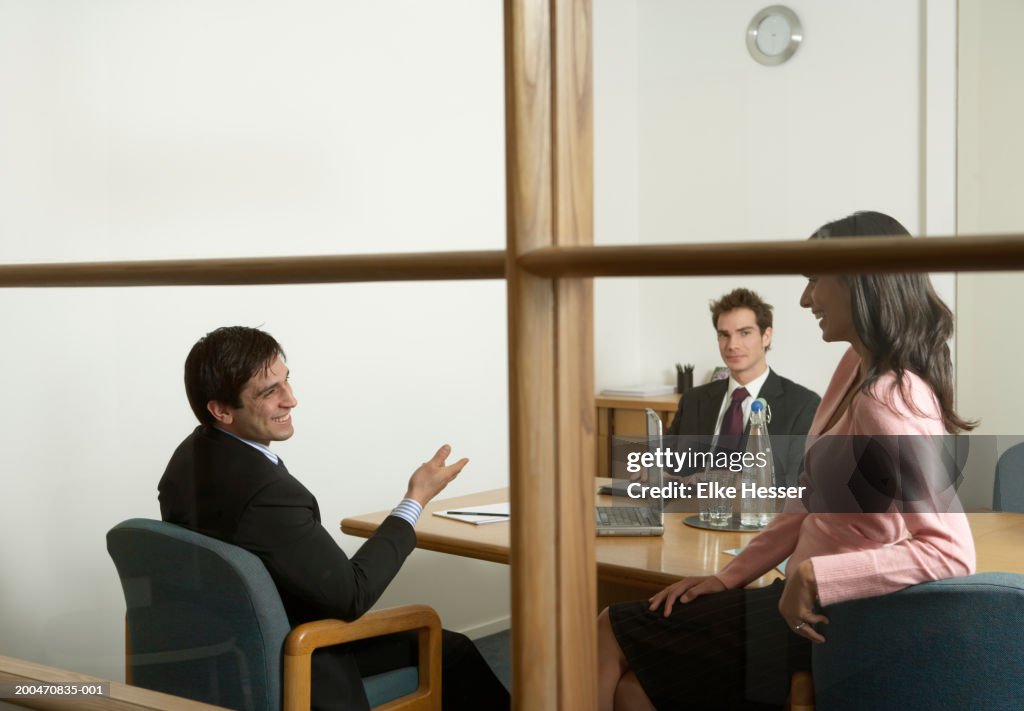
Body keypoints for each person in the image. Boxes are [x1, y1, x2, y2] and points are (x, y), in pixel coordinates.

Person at [597, 212, 977, 711]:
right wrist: (728, 576)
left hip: (832, 616)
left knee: (610, 629)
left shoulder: (890, 398)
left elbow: (951, 553)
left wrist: (815, 575)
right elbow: (808, 497)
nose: (805, 299)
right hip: (799, 595)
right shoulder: (854, 368)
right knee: (634, 688)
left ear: (859, 280)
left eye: (814, 280)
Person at [158, 326, 510, 711]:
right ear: (221, 410)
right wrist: (415, 500)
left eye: (286, 380)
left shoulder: (186, 460)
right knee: (449, 647)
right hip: (299, 655)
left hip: (221, 653)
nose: (291, 400)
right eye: (269, 391)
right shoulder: (267, 494)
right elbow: (350, 596)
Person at [666, 288, 821, 488]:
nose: (732, 345)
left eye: (744, 333)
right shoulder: (693, 399)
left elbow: (797, 482)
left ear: (766, 336)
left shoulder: (802, 405)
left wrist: (728, 481)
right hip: (686, 512)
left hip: (759, 515)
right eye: (724, 335)